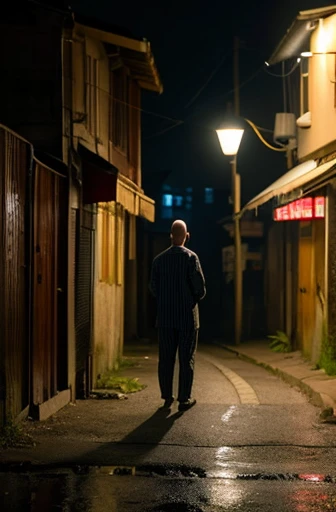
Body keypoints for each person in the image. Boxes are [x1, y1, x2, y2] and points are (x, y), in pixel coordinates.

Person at [149, 219, 206, 411]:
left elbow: (153, 288)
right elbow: (200, 289)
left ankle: (167, 397)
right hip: (187, 318)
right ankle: (184, 398)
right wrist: (190, 299)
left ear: (170, 236)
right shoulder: (191, 258)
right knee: (186, 358)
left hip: (165, 318)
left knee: (166, 358)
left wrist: (166, 300)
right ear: (187, 236)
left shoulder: (159, 260)